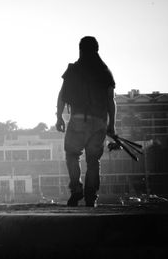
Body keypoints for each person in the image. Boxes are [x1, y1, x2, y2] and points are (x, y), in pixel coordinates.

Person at [55, 36, 116, 207]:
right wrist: (111, 125)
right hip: (99, 122)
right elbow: (111, 101)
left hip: (78, 119)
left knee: (72, 155)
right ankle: (91, 196)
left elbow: (62, 95)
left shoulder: (74, 70)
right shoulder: (105, 72)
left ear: (80, 49)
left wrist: (59, 116)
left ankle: (76, 190)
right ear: (97, 49)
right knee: (93, 160)